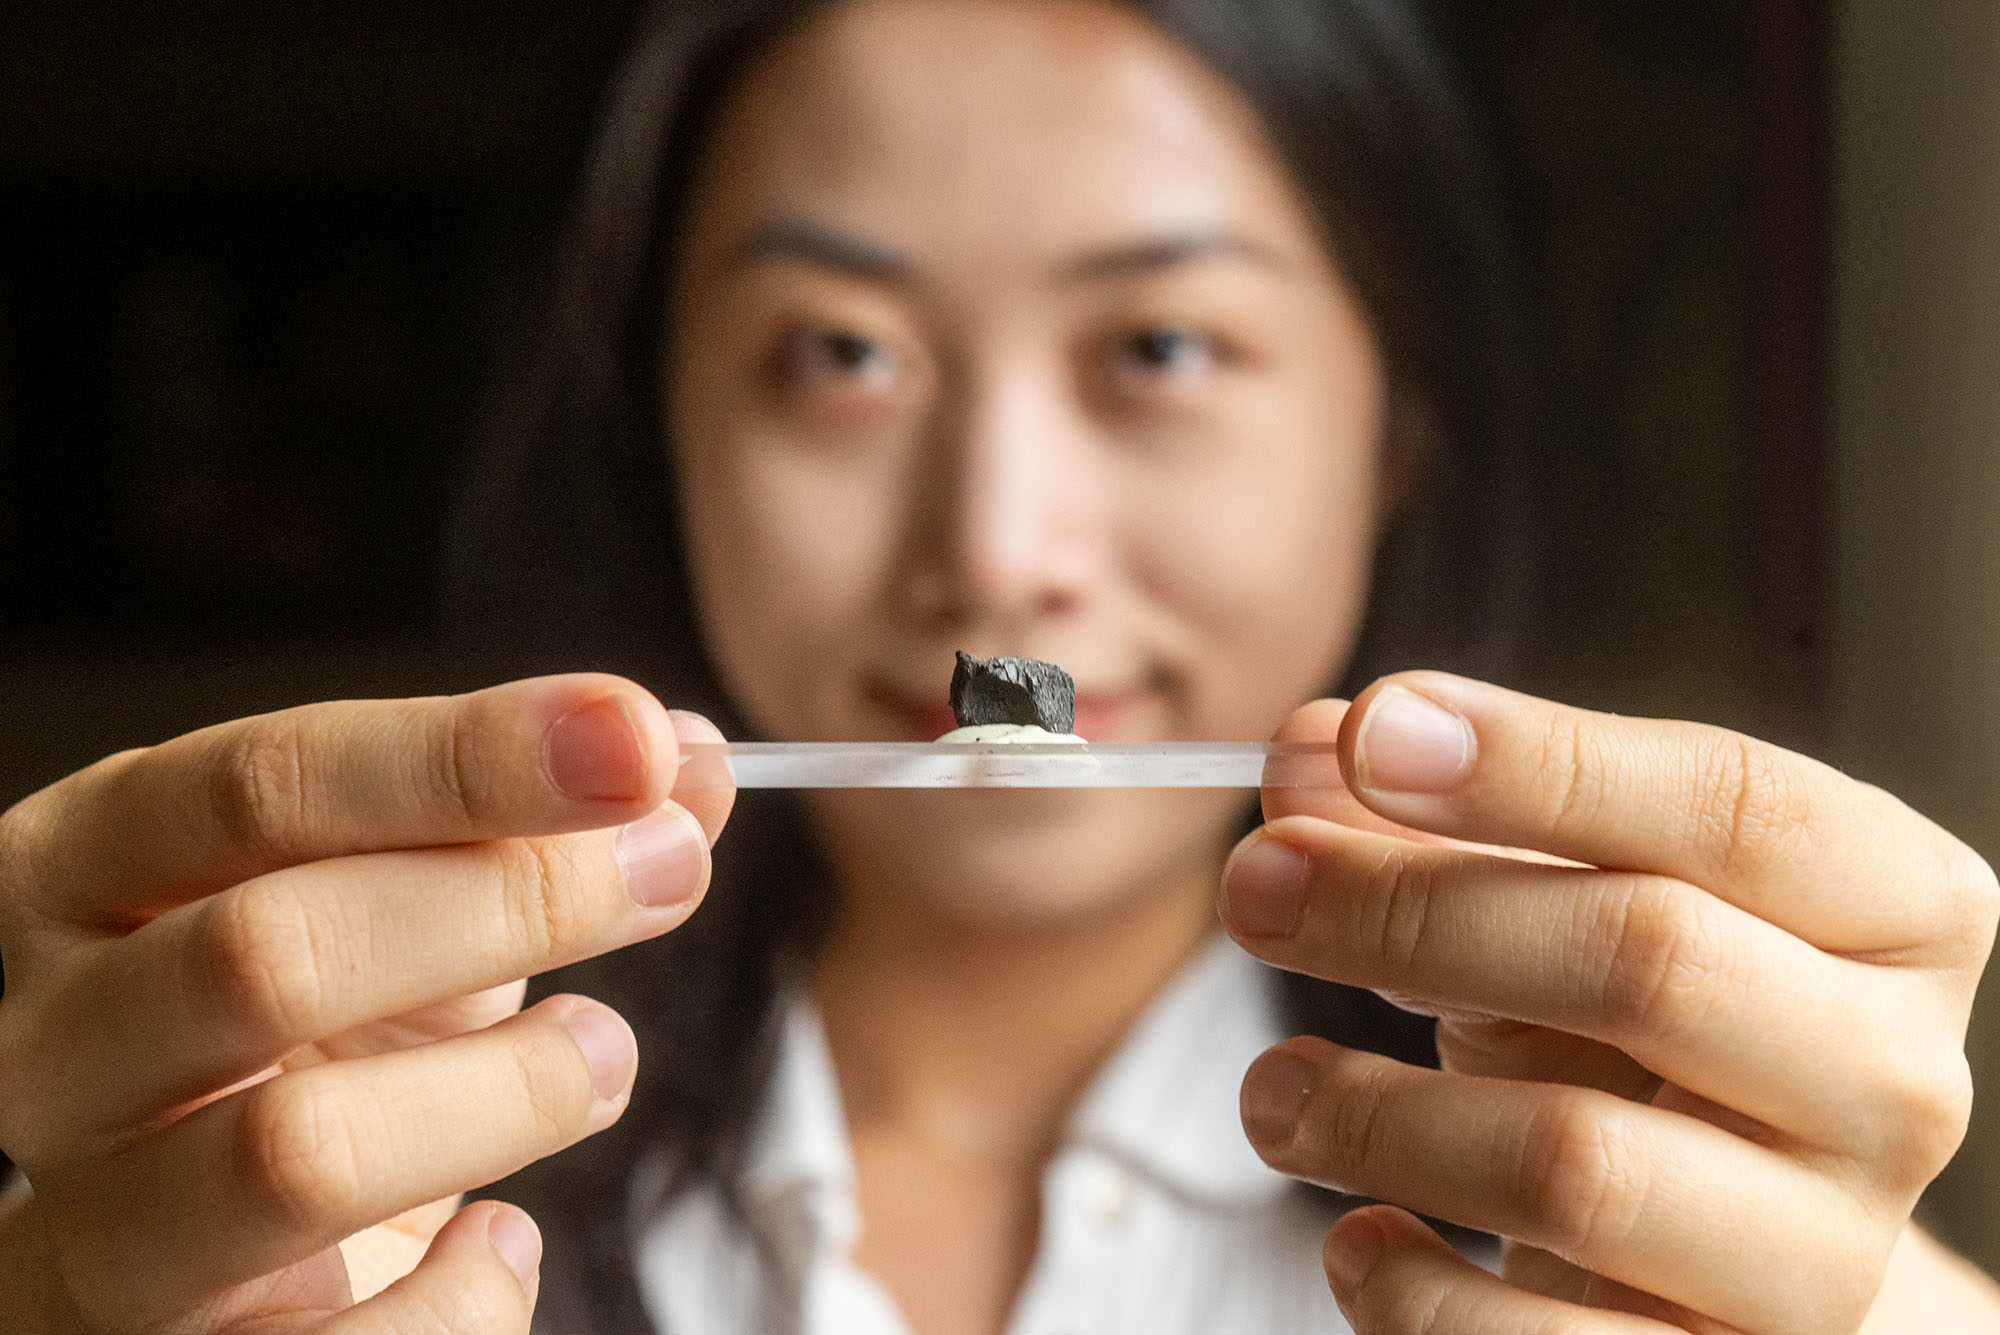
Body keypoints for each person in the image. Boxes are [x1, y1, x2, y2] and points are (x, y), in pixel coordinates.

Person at [3, 1, 1998, 1332]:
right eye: (838, 352)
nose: (995, 546)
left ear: (1394, 425)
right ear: (662, 425)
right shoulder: (351, 1192)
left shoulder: (1588, 1212)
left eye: (1158, 346)